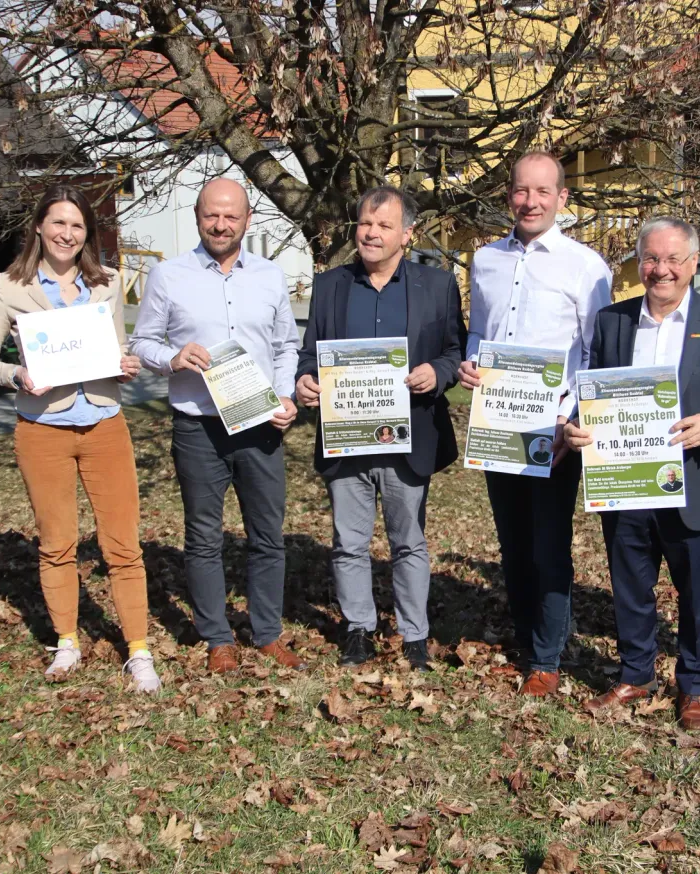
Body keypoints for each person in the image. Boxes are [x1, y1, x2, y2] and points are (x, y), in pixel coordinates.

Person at [564, 218, 700, 728]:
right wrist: (577, 427)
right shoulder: (612, 322)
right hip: (627, 479)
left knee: (698, 591)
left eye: (674, 259)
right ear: (639, 263)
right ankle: (635, 674)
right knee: (630, 586)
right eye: (652, 259)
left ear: (694, 263)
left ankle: (694, 688)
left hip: (697, 480)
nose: (662, 270)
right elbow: (595, 394)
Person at [0, 184, 160, 692]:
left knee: (122, 544)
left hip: (104, 425)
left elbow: (115, 348)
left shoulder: (107, 283)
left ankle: (138, 649)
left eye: (77, 226)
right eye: (58, 223)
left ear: (87, 234)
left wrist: (126, 365)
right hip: (42, 430)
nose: (67, 234)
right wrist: (17, 377)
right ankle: (67, 641)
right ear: (38, 226)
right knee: (56, 543)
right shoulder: (10, 286)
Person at [129, 179, 304, 674]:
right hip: (197, 426)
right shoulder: (168, 275)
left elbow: (286, 346)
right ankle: (217, 639)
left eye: (231, 216)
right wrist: (172, 357)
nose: (221, 224)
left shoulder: (271, 276)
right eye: (211, 215)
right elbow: (141, 343)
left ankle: (266, 633)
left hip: (259, 425)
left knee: (267, 535)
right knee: (203, 536)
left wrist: (288, 394)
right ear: (198, 217)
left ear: (247, 220)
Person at [459, 152, 613, 695]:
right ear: (509, 196)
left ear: (562, 198)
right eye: (522, 191)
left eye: (543, 192)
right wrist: (470, 362)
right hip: (499, 423)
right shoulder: (483, 260)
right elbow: (480, 333)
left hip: (554, 428)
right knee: (513, 542)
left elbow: (596, 350)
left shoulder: (586, 266)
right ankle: (528, 639)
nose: (531, 201)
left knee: (549, 545)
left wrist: (574, 418)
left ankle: (548, 657)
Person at [296, 186, 465, 671]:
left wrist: (438, 373)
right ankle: (358, 628)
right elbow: (310, 354)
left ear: (406, 234)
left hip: (408, 437)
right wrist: (306, 380)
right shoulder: (329, 285)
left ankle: (414, 635)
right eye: (365, 223)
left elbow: (454, 351)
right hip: (347, 436)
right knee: (348, 542)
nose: (371, 233)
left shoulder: (436, 286)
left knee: (408, 541)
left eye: (384, 225)